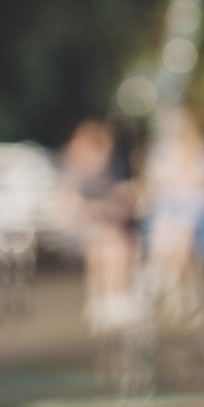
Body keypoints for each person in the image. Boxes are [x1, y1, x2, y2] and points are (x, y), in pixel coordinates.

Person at [140, 105, 204, 326]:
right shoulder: (160, 152)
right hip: (169, 209)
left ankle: (172, 291)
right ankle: (184, 296)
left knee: (182, 239)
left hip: (198, 208)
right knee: (167, 236)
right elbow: (155, 184)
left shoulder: (200, 149)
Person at [57, 118, 139, 331]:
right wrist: (99, 209)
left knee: (116, 242)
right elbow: (70, 207)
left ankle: (111, 298)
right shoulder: (74, 169)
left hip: (108, 226)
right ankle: (110, 299)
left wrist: (102, 208)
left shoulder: (112, 169)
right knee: (108, 241)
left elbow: (125, 201)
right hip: (80, 231)